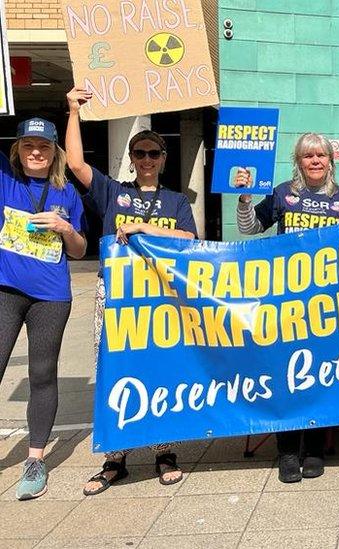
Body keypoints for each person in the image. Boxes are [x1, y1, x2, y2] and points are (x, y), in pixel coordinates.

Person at [66, 88, 198, 495]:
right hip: (115, 293)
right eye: (139, 153)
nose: (145, 160)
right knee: (112, 367)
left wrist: (144, 228)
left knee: (162, 367)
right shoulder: (112, 192)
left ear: (163, 160)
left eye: (153, 154)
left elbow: (189, 236)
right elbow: (73, 163)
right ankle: (115, 459)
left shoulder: (176, 200)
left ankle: (165, 452)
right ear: (132, 158)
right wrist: (73, 111)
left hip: (159, 297)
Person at [237, 133, 339, 482]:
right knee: (285, 376)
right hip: (285, 302)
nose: (316, 160)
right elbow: (251, 228)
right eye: (308, 156)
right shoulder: (282, 194)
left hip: (327, 304)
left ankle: (316, 448)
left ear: (331, 160)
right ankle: (288, 452)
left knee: (321, 374)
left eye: (321, 155)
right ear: (299, 161)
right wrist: (244, 199)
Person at [0, 118, 87, 500]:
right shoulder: (5, 179)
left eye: (44, 146)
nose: (36, 152)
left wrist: (64, 228)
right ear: (17, 150)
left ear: (55, 153)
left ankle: (35, 459)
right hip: (6, 290)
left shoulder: (67, 192)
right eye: (29, 145)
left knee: (42, 373)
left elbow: (80, 250)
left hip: (51, 297)